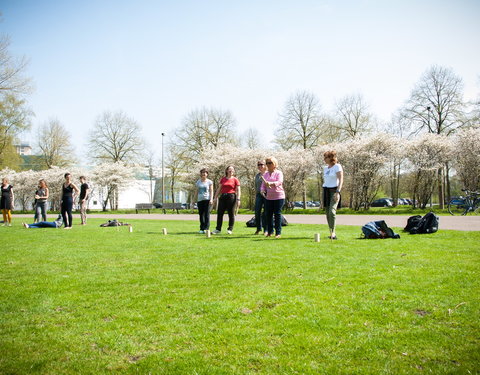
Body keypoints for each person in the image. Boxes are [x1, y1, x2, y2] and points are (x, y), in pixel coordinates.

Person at [260, 157, 285, 238]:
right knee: (268, 214)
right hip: (269, 197)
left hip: (279, 196)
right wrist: (262, 190)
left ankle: (278, 233)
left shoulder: (279, 173)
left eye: (270, 163)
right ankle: (270, 232)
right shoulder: (265, 174)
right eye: (267, 163)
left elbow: (279, 182)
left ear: (274, 164)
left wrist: (270, 183)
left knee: (277, 214)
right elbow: (263, 185)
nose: (268, 164)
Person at [212, 166, 241, 235]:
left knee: (231, 214)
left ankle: (230, 229)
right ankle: (218, 229)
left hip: (231, 196)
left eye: (232, 170)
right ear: (227, 171)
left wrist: (238, 199)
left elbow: (239, 190)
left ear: (234, 171)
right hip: (223, 196)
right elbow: (219, 189)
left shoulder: (235, 179)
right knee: (220, 213)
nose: (231, 171)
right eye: (229, 170)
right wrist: (215, 197)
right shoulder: (223, 179)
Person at [323, 150, 344, 240]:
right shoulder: (325, 168)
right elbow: (325, 182)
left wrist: (338, 192)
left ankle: (333, 233)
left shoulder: (337, 167)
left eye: (326, 157)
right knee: (327, 213)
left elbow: (341, 179)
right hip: (326, 191)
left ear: (331, 158)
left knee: (332, 212)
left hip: (334, 191)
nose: (324, 159)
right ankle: (331, 232)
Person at [195, 168, 213, 234]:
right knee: (201, 214)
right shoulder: (198, 182)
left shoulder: (209, 182)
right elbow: (196, 191)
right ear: (201, 174)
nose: (204, 174)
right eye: (202, 172)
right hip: (200, 200)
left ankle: (206, 228)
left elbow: (211, 191)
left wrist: (211, 199)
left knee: (207, 215)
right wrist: (194, 200)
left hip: (207, 199)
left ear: (207, 174)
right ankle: (201, 228)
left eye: (205, 172)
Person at [254, 160, 267, 235]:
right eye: (258, 165)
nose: (260, 166)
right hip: (259, 194)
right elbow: (256, 186)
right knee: (257, 211)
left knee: (266, 212)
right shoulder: (257, 175)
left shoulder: (268, 174)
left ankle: (266, 229)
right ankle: (258, 228)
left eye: (261, 164)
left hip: (267, 194)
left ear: (265, 165)